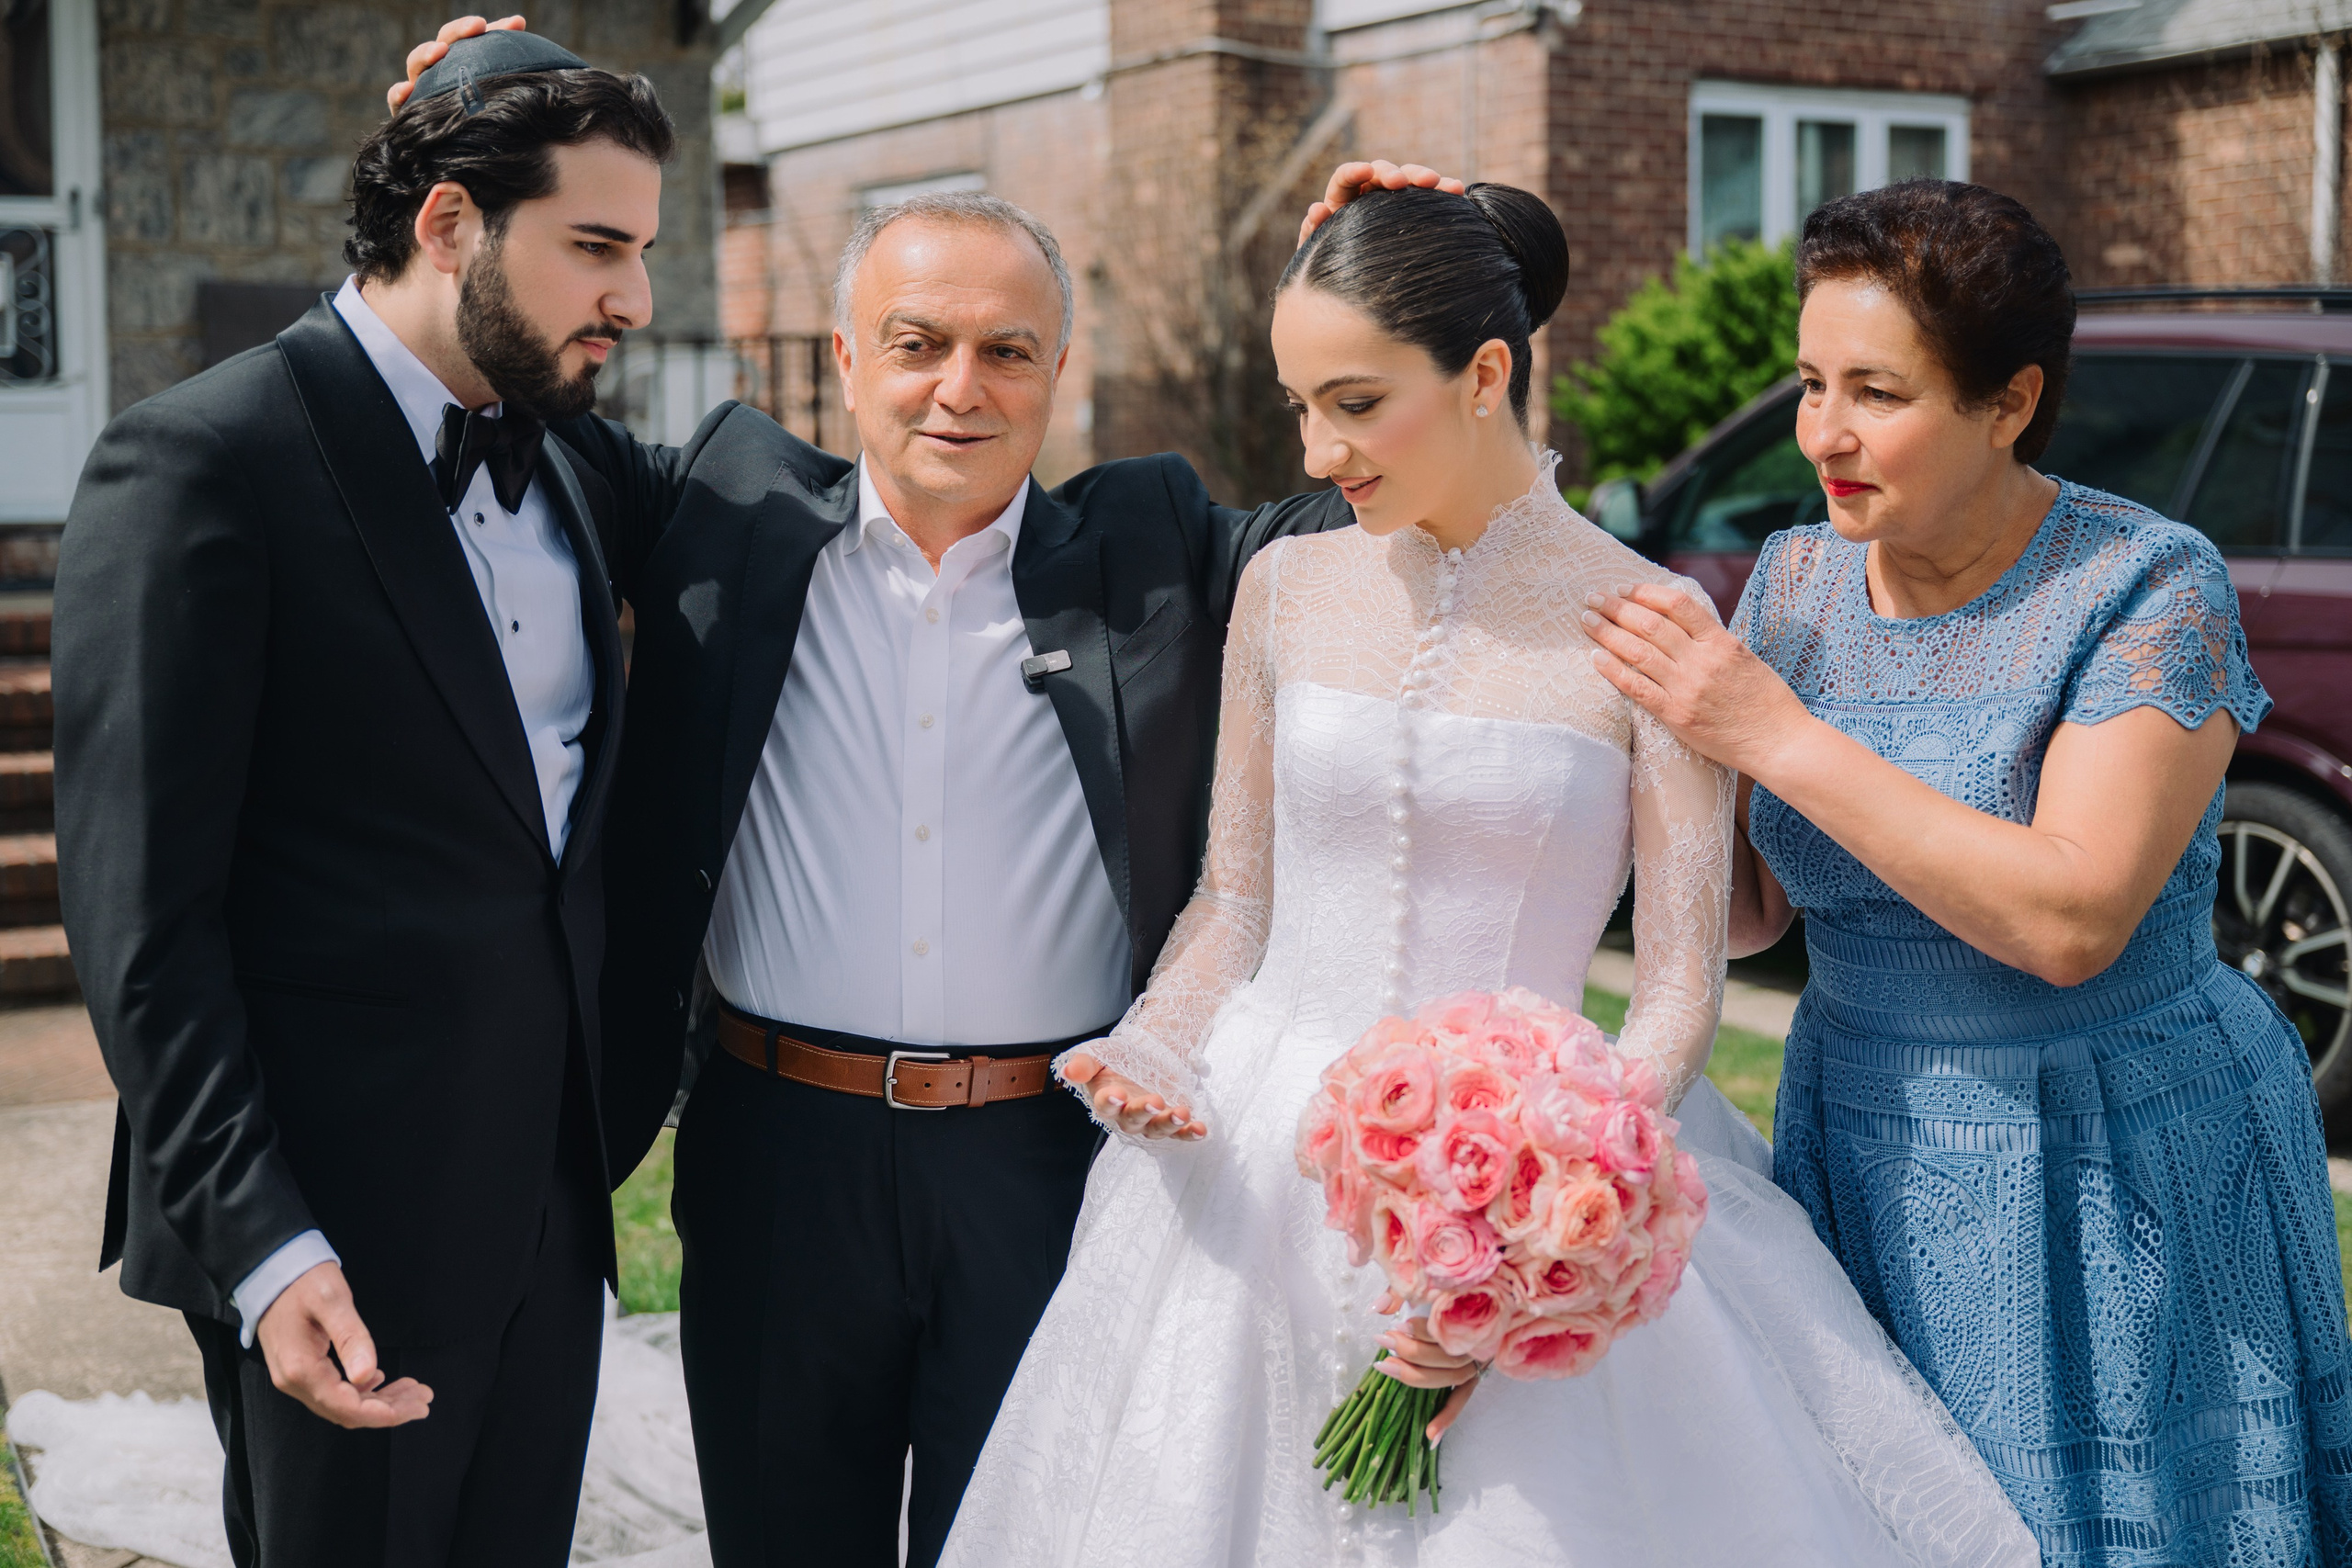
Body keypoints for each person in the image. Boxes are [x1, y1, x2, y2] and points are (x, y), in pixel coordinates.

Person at [938, 182, 2036, 1567]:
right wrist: (1155, 1044)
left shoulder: (1652, 621)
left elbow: (1684, 990)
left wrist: (1527, 1246)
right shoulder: (1285, 591)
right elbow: (1236, 901)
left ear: (1487, 372)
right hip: (1254, 1176)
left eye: (1353, 400)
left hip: (1544, 1163)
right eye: (1297, 405)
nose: (1318, 447)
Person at [1584, 180, 2352, 1563]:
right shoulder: (1796, 581)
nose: (1824, 432)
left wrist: (1773, 731)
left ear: (2010, 402)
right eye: (1812, 382)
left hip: (2118, 1152)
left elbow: (2071, 917)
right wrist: (1628, 773)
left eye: (1878, 392)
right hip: (1861, 1137)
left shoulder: (2145, 585)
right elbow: (1758, 911)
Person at [52, 33, 668, 1565]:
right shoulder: (201, 463)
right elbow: (144, 930)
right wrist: (264, 1246)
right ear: (449, 224)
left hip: (549, 1206)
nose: (634, 301)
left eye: (641, 252)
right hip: (330, 1229)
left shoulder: (587, 471)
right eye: (596, 248)